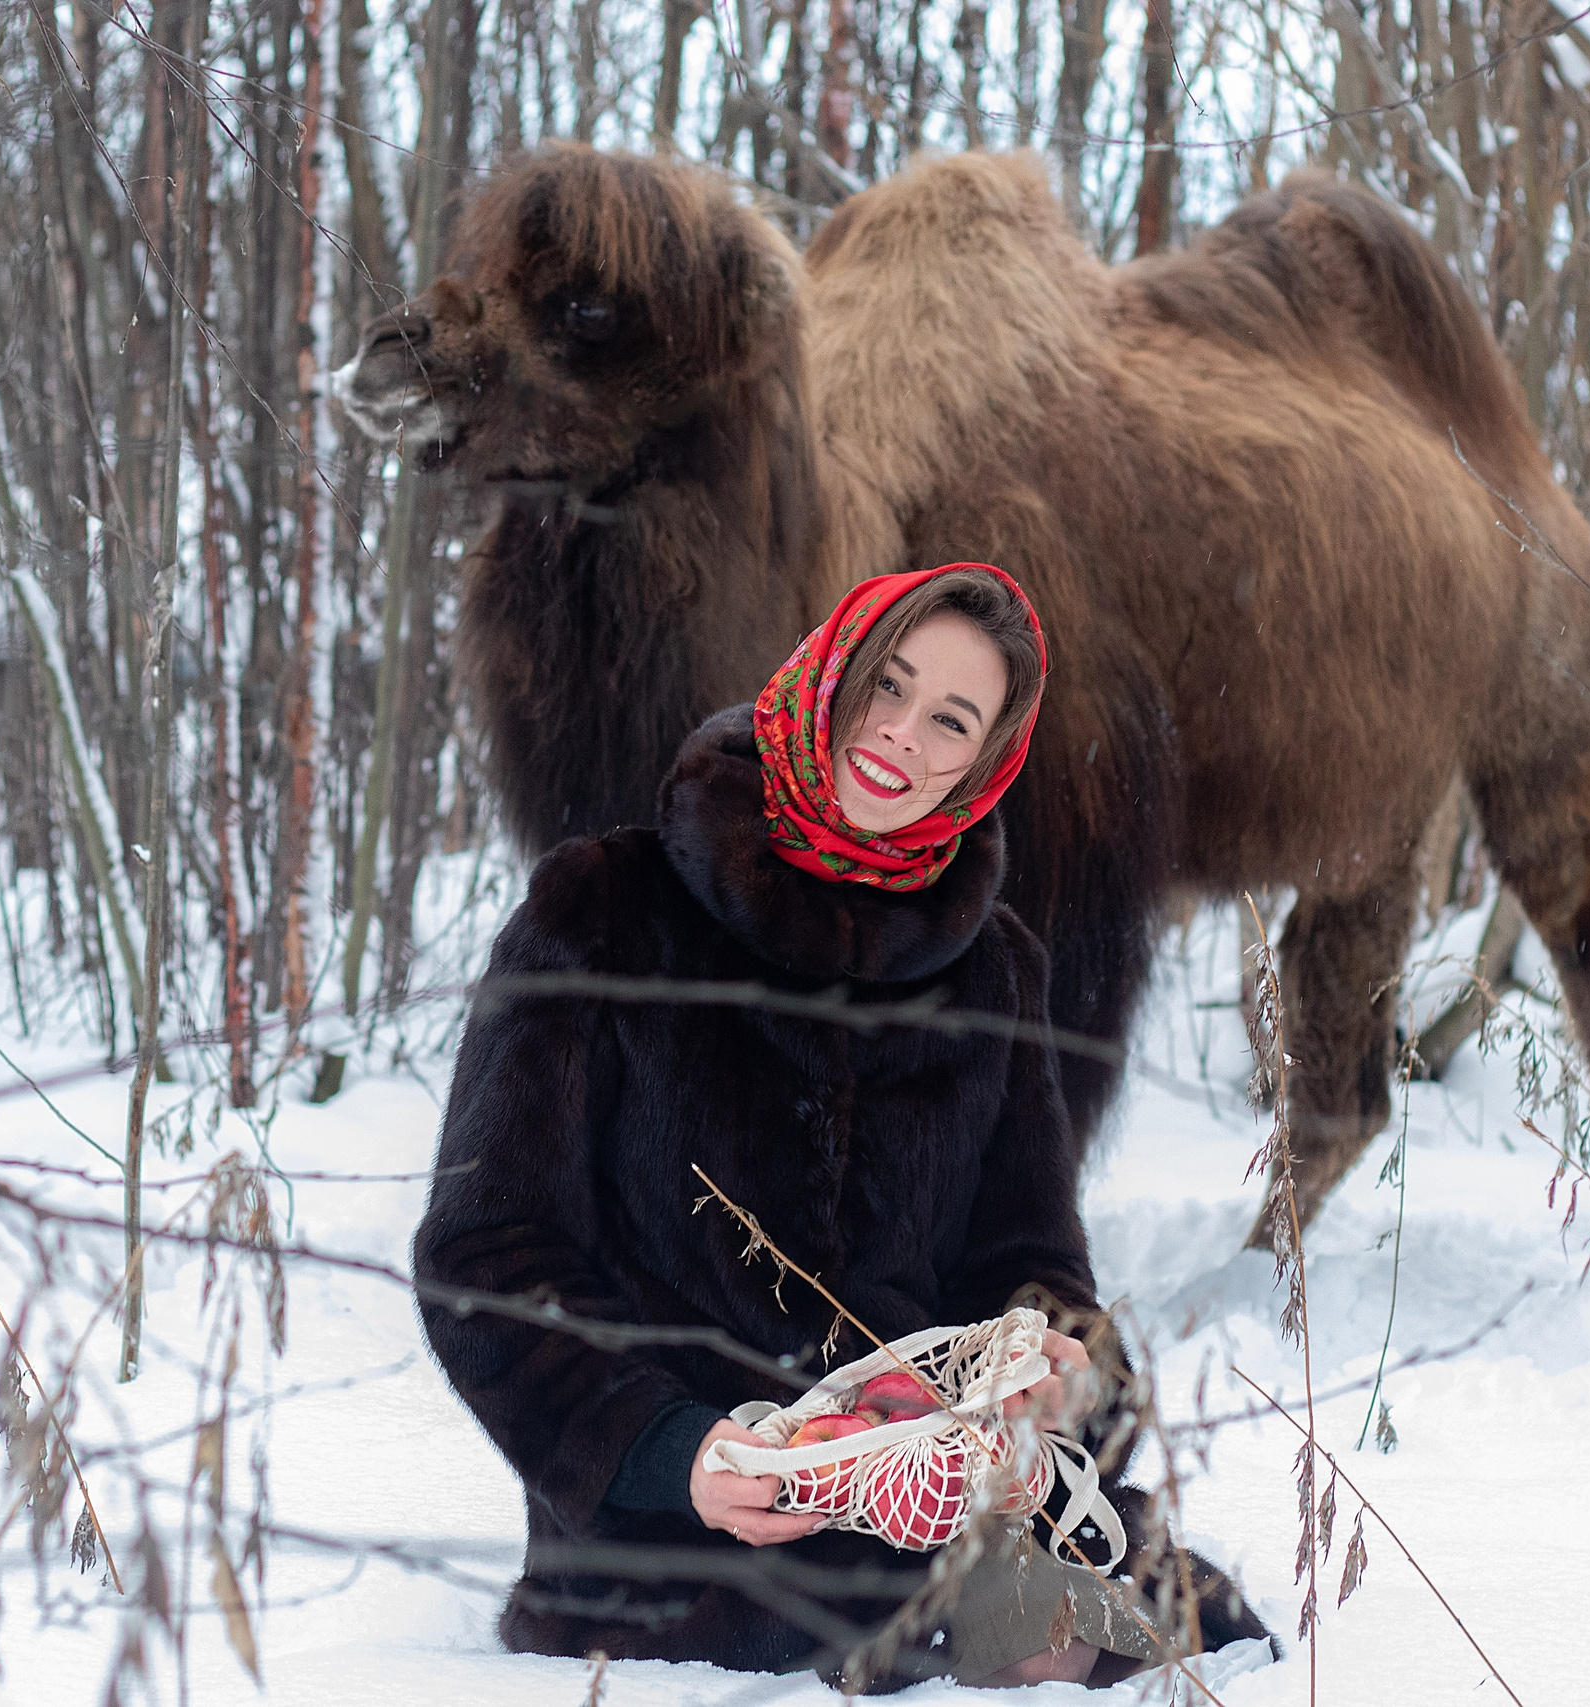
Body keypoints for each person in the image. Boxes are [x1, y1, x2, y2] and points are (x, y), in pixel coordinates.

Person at [412, 564, 1266, 1685]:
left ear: (983, 762)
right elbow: (484, 1255)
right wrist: (676, 1453)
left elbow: (1027, 1261)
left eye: (949, 719)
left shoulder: (992, 969)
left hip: (933, 1507)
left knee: (1185, 1635)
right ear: (830, 673)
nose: (901, 736)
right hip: (672, 1548)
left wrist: (1054, 1369)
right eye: (888, 686)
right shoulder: (602, 913)